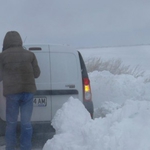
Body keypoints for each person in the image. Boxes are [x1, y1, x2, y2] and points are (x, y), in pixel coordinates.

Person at [0, 31, 40, 150]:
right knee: (26, 123)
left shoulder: (2, 56)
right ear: (20, 41)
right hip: (28, 93)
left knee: (11, 123)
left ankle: (11, 147)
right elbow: (37, 74)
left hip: (12, 94)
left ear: (6, 42)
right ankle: (25, 147)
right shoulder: (30, 55)